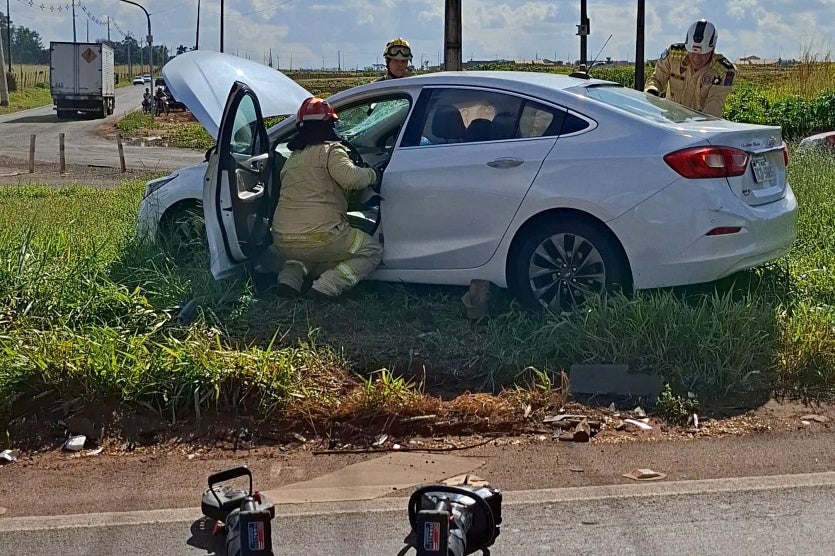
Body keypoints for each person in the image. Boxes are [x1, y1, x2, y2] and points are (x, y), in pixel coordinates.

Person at [272, 97, 382, 300]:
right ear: (328, 124)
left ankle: (288, 283)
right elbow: (350, 178)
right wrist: (373, 174)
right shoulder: (331, 149)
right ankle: (325, 288)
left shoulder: (293, 158)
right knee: (371, 250)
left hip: (282, 237)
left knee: (301, 257)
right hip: (321, 235)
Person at [644, 19, 736, 117]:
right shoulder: (674, 55)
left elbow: (713, 107)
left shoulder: (723, 71)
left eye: (702, 54)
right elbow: (657, 79)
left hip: (697, 126)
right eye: (692, 53)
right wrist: (652, 92)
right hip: (669, 120)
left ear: (712, 50)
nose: (696, 59)